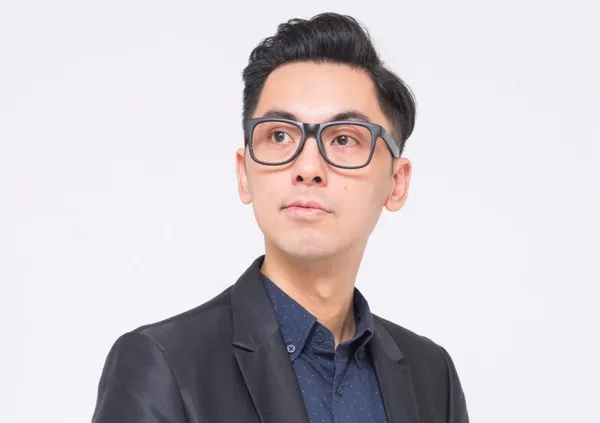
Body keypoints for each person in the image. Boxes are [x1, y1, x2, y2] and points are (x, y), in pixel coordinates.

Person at [92, 12, 469, 423]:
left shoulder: (432, 375)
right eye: (280, 135)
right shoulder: (164, 365)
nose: (308, 168)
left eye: (344, 139)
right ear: (244, 174)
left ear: (397, 183)